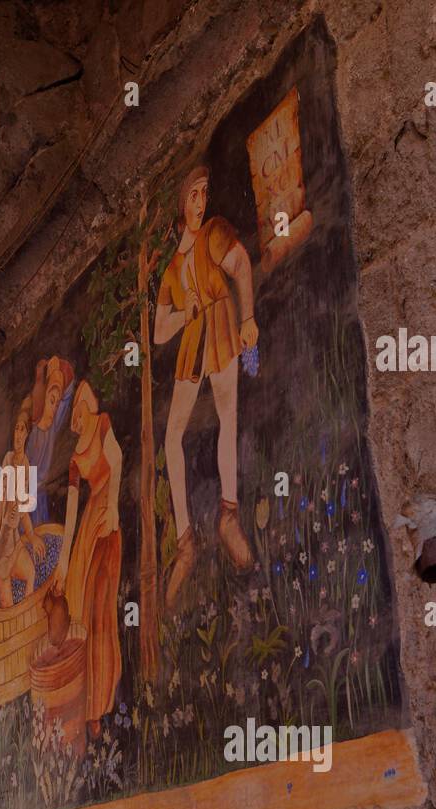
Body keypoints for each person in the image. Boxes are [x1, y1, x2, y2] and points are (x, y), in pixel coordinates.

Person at [152, 164, 259, 605]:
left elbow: (242, 265)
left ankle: (228, 516)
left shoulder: (214, 234)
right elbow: (158, 331)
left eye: (204, 194)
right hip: (192, 338)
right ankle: (184, 543)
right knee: (172, 435)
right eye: (193, 195)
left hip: (221, 327)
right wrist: (184, 313)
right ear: (182, 203)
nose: (200, 202)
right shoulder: (171, 270)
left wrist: (248, 316)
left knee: (227, 415)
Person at [53, 382, 123, 739]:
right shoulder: (74, 461)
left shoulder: (104, 423)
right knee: (83, 614)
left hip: (105, 522)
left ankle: (103, 701)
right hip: (86, 528)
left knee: (102, 612)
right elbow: (69, 514)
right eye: (73, 420)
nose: (75, 422)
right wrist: (64, 562)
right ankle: (89, 709)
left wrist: (112, 506)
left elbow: (118, 460)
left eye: (76, 414)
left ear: (84, 404)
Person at [0, 398, 45, 607]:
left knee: (31, 575)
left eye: (22, 430)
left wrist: (33, 536)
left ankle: (27, 631)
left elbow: (24, 510)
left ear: (27, 434)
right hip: (2, 543)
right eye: (16, 429)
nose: (18, 434)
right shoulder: (8, 459)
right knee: (6, 603)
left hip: (14, 538)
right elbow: (1, 509)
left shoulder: (26, 467)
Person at [26, 357, 75, 525]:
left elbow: (67, 395)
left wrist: (59, 368)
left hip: (40, 498)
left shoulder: (52, 428)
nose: (54, 409)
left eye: (57, 403)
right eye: (51, 401)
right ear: (44, 396)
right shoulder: (33, 432)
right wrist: (42, 374)